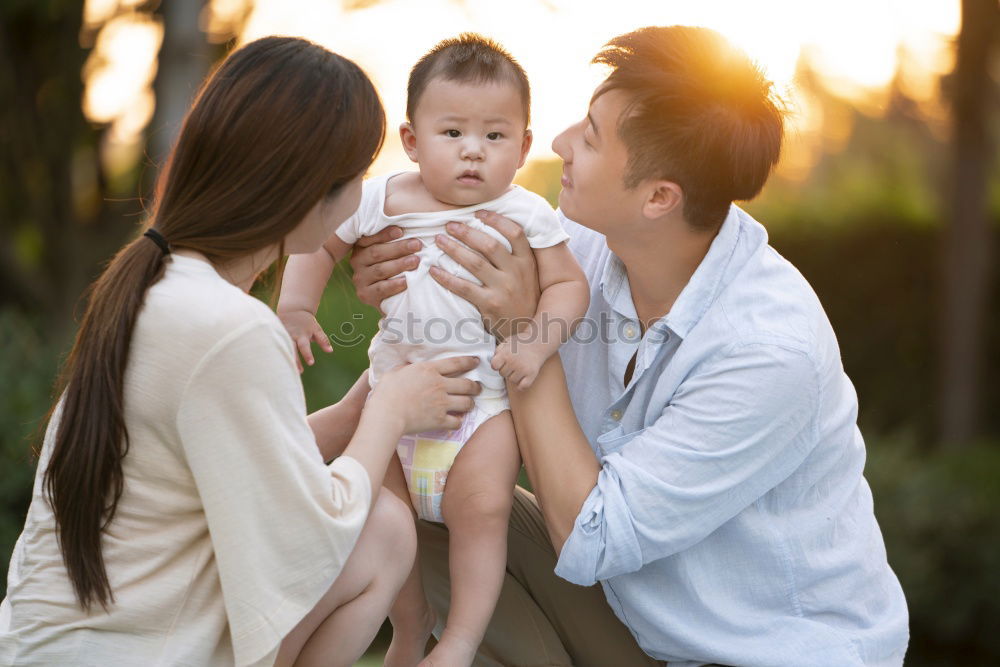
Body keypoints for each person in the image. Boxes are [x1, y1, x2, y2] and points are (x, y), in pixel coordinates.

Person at [349, 26, 910, 667]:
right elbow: (426, 261)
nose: (557, 144)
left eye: (589, 138)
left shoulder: (769, 351)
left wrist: (525, 334)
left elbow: (593, 536)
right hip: (626, 614)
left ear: (659, 198)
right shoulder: (579, 245)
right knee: (405, 497)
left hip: (749, 651)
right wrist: (386, 272)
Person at [0, 36, 482, 667]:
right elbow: (309, 533)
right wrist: (389, 414)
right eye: (358, 176)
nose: (363, 198)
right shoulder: (232, 327)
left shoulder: (156, 284)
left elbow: (233, 466)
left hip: (55, 646)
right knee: (384, 532)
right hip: (136, 652)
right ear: (312, 190)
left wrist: (355, 411)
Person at [277, 33, 589, 667]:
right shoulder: (380, 199)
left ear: (524, 146)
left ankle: (459, 642)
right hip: (392, 402)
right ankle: (410, 621)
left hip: (481, 408)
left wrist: (534, 341)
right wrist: (296, 307)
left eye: (495, 136)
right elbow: (319, 246)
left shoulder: (527, 211)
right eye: (452, 133)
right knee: (383, 518)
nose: (474, 150)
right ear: (413, 140)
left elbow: (568, 285)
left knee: (484, 509)